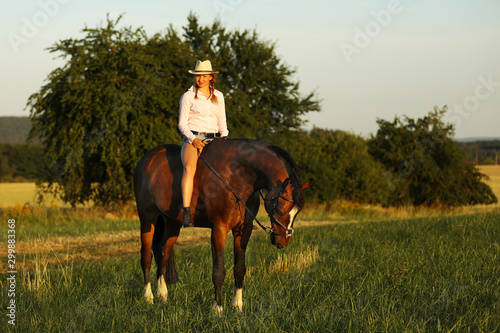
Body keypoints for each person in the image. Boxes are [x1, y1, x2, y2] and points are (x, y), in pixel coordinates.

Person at [178, 60, 229, 227]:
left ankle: (234, 211)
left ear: (210, 77)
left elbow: (221, 121)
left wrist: (224, 138)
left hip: (215, 140)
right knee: (189, 168)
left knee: (231, 169)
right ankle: (186, 211)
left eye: (204, 76)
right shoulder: (187, 96)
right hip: (193, 139)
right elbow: (182, 124)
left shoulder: (219, 96)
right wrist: (194, 139)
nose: (200, 79)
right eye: (198, 76)